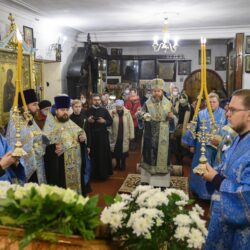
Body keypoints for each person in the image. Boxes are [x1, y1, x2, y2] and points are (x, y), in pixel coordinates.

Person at [203, 89, 250, 250]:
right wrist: (210, 171)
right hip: (223, 225)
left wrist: (216, 179)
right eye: (228, 109)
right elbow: (226, 168)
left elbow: (247, 196)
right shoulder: (239, 139)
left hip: (241, 236)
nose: (227, 114)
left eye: (233, 110)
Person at [182, 92, 227, 200]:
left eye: (214, 102)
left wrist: (222, 141)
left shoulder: (224, 114)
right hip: (201, 147)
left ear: (218, 102)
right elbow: (193, 129)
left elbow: (229, 130)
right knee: (199, 168)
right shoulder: (200, 113)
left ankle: (213, 194)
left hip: (217, 150)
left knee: (215, 170)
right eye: (209, 102)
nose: (211, 104)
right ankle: (198, 192)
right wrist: (191, 145)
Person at [43, 95, 90, 195]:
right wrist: (53, 149)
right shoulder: (50, 125)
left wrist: (82, 139)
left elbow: (79, 137)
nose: (65, 112)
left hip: (75, 167)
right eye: (62, 109)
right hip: (60, 167)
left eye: (67, 109)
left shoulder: (70, 123)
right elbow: (45, 147)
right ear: (56, 110)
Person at [6, 89, 47, 184]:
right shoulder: (15, 123)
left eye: (37, 104)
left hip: (36, 164)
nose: (37, 107)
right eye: (34, 104)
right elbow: (15, 147)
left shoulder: (28, 118)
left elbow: (38, 136)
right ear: (24, 106)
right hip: (25, 168)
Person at [137, 78, 174, 176]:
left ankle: (162, 174)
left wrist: (172, 117)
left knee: (163, 153)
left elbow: (175, 117)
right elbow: (140, 113)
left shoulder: (168, 103)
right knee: (150, 152)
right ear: (151, 92)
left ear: (162, 91)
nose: (156, 93)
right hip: (150, 132)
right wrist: (142, 115)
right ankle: (150, 172)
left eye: (158, 91)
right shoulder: (147, 103)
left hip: (164, 132)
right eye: (154, 91)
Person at [85, 94, 113, 180]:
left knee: (102, 155)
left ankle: (103, 174)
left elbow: (110, 121)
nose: (97, 101)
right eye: (95, 100)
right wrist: (88, 120)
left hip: (102, 137)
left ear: (100, 101)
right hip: (92, 137)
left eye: (98, 100)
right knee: (93, 156)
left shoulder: (104, 110)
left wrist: (104, 121)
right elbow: (83, 122)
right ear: (92, 101)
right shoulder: (88, 111)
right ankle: (93, 175)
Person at [109, 100, 134, 170]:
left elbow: (131, 124)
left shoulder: (127, 113)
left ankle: (123, 164)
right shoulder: (113, 112)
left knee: (123, 151)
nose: (119, 108)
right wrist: (112, 114)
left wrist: (131, 135)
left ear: (123, 106)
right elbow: (109, 122)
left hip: (124, 135)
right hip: (115, 135)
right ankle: (117, 164)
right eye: (117, 107)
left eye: (120, 107)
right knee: (116, 151)